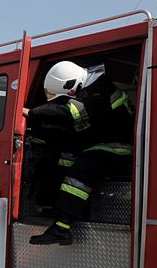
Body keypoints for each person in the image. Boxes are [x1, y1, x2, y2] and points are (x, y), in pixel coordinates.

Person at [23, 61, 134, 245]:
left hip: (117, 147)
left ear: (71, 86)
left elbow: (70, 113)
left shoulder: (99, 90)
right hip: (100, 142)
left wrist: (30, 113)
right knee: (62, 159)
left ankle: (61, 229)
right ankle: (56, 209)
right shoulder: (90, 88)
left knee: (80, 172)